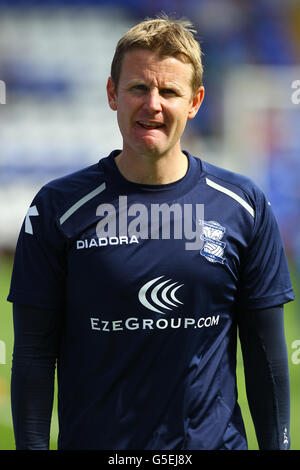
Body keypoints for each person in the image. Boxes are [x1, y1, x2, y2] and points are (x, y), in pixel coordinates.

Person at [8, 15, 294, 451]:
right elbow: (32, 355)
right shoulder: (57, 208)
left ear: (195, 101)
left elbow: (267, 356)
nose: (153, 105)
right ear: (112, 93)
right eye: (139, 88)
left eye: (170, 91)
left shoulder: (243, 206)